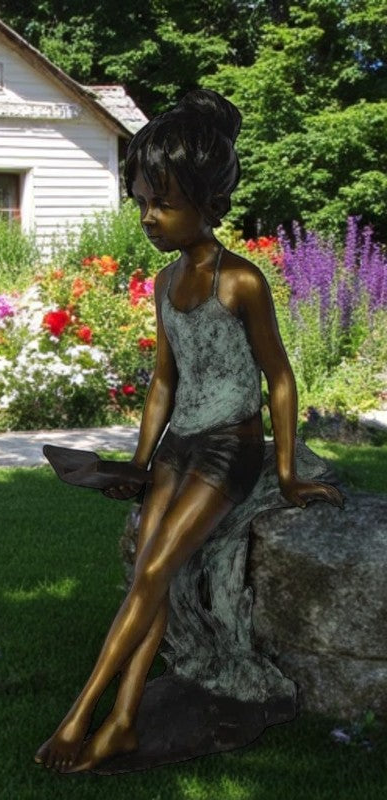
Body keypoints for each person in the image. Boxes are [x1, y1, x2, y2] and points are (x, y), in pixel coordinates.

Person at [34, 88, 343, 774]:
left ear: (208, 202)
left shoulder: (242, 283)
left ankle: (84, 716)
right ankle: (120, 723)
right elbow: (165, 383)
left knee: (149, 573)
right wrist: (141, 462)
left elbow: (281, 380)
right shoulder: (162, 283)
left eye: (162, 203)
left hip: (230, 447)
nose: (148, 217)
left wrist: (286, 471)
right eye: (141, 201)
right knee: (156, 576)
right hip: (180, 447)